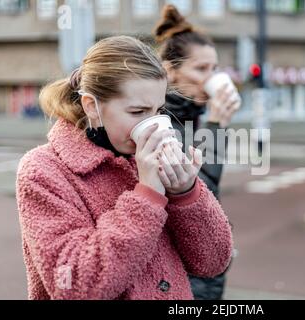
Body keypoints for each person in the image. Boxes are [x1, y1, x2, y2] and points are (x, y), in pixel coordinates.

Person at [15, 36, 233, 300]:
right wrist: (147, 196)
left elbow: (213, 262)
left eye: (158, 110)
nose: (153, 124)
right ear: (91, 106)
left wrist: (187, 193)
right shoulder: (44, 171)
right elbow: (74, 285)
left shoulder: (150, 154)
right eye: (138, 111)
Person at [154, 5, 240, 300]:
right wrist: (216, 125)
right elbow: (199, 191)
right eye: (201, 69)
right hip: (180, 278)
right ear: (170, 71)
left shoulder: (191, 116)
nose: (210, 77)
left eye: (214, 69)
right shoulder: (161, 120)